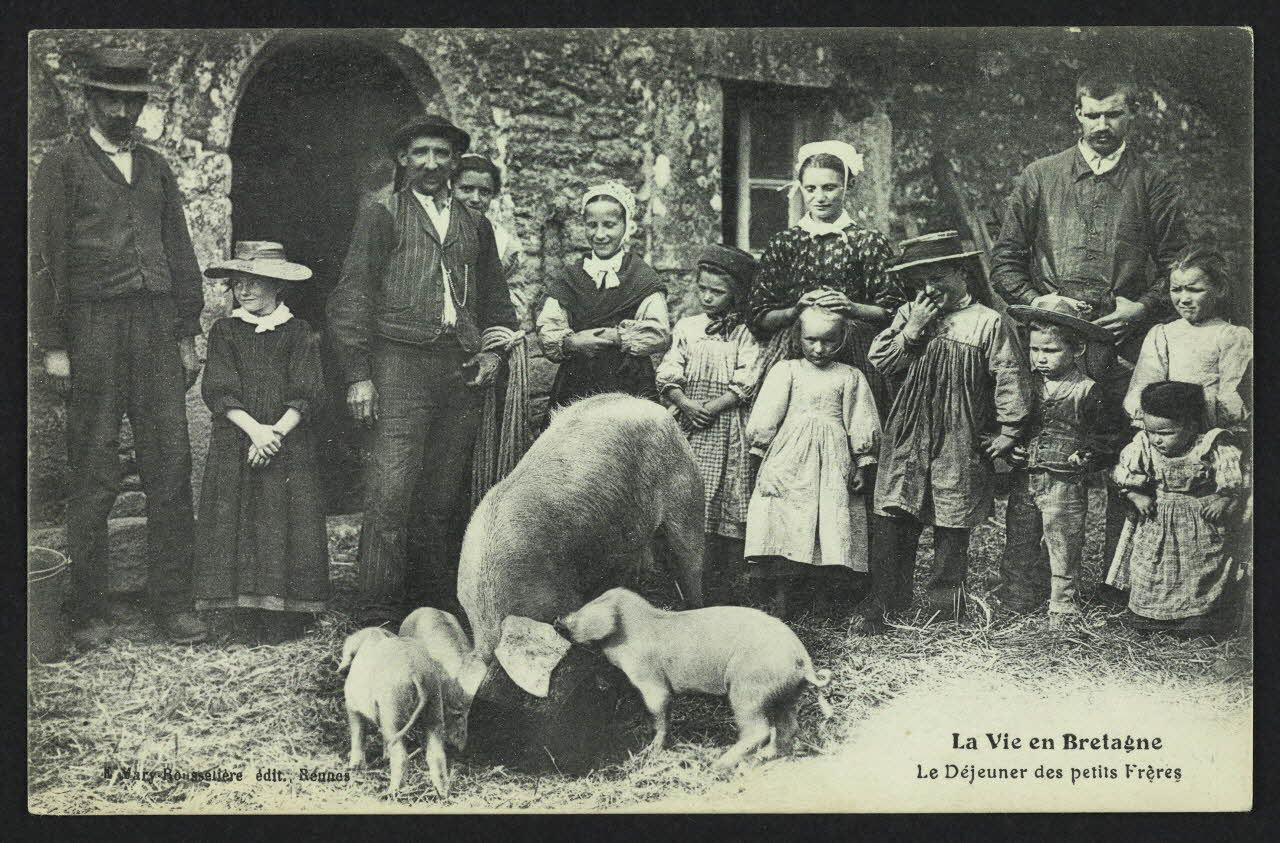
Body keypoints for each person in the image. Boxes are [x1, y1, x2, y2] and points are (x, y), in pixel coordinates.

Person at [28, 48, 208, 647]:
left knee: (171, 466)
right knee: (95, 473)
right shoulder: (63, 166)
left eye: (132, 100)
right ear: (88, 101)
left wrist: (187, 330)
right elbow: (45, 261)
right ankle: (90, 613)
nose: (122, 109)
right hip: (94, 330)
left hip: (157, 330)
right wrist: (54, 344)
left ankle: (173, 606)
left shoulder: (155, 167)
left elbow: (179, 250)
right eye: (111, 98)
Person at [989, 65, 1189, 598]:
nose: (1102, 124)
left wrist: (1141, 308)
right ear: (1076, 113)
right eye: (1092, 113)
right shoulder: (1040, 176)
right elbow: (1004, 263)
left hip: (1122, 348)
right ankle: (1025, 589)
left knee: (1128, 462)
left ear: (1131, 116)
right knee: (1040, 462)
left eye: (1114, 113)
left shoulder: (1153, 182)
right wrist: (1039, 300)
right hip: (1051, 346)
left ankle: (1120, 586)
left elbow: (1181, 269)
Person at [327, 114, 519, 627]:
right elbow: (352, 297)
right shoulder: (382, 214)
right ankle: (377, 611)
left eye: (441, 154)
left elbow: (498, 306)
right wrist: (358, 375)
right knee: (390, 493)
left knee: (441, 496)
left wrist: (491, 354)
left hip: (457, 370)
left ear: (455, 161)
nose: (431, 164)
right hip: (398, 365)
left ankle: (430, 607)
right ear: (403, 160)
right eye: (420, 154)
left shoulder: (475, 225)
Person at [862, 232, 1033, 632]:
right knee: (895, 516)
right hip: (908, 431)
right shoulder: (909, 313)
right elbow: (882, 362)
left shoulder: (987, 322)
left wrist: (1009, 430)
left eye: (937, 277)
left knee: (952, 520)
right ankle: (885, 602)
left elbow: (1009, 375)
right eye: (920, 280)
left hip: (959, 434)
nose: (928, 288)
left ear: (961, 272)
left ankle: (944, 608)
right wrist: (913, 328)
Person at [195, 242, 329, 643]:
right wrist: (254, 430)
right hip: (236, 443)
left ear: (278, 286)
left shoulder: (299, 332)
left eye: (254, 283)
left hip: (288, 446)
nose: (244, 291)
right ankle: (235, 613)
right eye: (238, 284)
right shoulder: (225, 331)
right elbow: (218, 388)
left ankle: (283, 614)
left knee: (282, 519)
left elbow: (309, 391)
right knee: (233, 519)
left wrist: (275, 434)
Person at [743, 306, 881, 619]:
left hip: (833, 462)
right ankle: (784, 601)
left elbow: (860, 420)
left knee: (829, 524)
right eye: (811, 340)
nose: (819, 349)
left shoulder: (850, 376)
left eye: (829, 341)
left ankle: (825, 602)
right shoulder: (787, 371)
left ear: (842, 339)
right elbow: (767, 414)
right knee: (787, 522)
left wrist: (863, 461)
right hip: (789, 459)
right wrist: (758, 454)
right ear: (799, 337)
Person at [747, 140, 902, 417]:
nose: (820, 197)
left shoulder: (867, 241)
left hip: (857, 357)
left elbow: (894, 309)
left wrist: (853, 308)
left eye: (830, 187)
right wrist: (795, 310)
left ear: (848, 186)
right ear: (801, 189)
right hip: (794, 354)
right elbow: (759, 316)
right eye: (811, 189)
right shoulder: (785, 243)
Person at [996, 298, 1125, 627]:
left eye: (1051, 350)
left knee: (1063, 541)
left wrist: (1088, 454)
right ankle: (1016, 597)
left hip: (1064, 482)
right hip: (1026, 478)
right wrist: (1013, 448)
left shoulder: (1088, 391)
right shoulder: (1024, 386)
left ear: (1077, 348)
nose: (1040, 358)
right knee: (1021, 536)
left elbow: (1109, 434)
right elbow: (1010, 424)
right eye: (1035, 349)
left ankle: (1062, 605)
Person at [655, 244, 762, 603]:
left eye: (717, 292)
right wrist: (684, 403)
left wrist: (713, 407)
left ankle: (723, 585)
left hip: (727, 423)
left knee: (724, 501)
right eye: (702, 289)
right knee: (686, 493)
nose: (707, 297)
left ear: (736, 293)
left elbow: (749, 377)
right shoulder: (688, 327)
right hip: (689, 421)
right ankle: (682, 583)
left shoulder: (746, 333)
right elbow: (669, 369)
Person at [1106, 381, 1248, 638]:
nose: (1157, 439)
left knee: (1198, 571)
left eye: (1166, 432)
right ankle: (1151, 619)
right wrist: (1136, 494)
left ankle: (1194, 623)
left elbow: (1235, 481)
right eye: (1151, 431)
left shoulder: (1209, 446)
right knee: (1151, 568)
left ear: (1191, 425)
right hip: (1158, 519)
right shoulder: (1143, 445)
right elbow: (1124, 475)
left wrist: (1224, 499)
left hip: (1199, 523)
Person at [537, 181, 671, 409]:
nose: (600, 235)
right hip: (578, 382)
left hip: (630, 383)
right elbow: (548, 330)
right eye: (592, 225)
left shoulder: (641, 276)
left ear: (626, 226)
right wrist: (572, 341)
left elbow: (659, 334)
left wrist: (616, 337)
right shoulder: (570, 277)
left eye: (609, 225)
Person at [1123, 243, 1252, 434]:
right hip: (1164, 432)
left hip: (1209, 431)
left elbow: (1232, 397)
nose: (1184, 299)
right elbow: (1143, 386)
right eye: (1176, 290)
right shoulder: (1162, 334)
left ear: (1220, 289)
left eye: (1194, 290)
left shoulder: (1232, 336)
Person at [452, 153, 525, 285]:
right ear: (450, 189)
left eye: (484, 192)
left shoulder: (503, 245)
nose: (475, 199)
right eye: (466, 189)